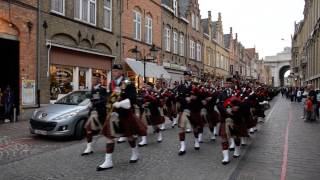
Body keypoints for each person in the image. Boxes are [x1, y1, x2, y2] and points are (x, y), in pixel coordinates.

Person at [96, 64, 147, 171]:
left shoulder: (128, 82)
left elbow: (132, 99)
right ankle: (108, 161)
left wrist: (120, 104)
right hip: (114, 114)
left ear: (121, 71)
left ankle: (135, 153)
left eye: (116, 71)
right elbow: (109, 97)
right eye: (113, 71)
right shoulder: (112, 84)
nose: (114, 73)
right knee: (110, 136)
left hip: (125, 114)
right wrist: (108, 104)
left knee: (129, 136)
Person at [81, 77, 108, 156]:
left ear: (98, 80)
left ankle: (109, 144)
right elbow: (92, 99)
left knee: (106, 130)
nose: (92, 81)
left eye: (94, 79)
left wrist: (95, 103)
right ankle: (89, 148)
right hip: (93, 113)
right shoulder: (93, 89)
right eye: (92, 79)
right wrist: (90, 103)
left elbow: (104, 100)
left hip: (101, 113)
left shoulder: (102, 89)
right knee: (88, 128)